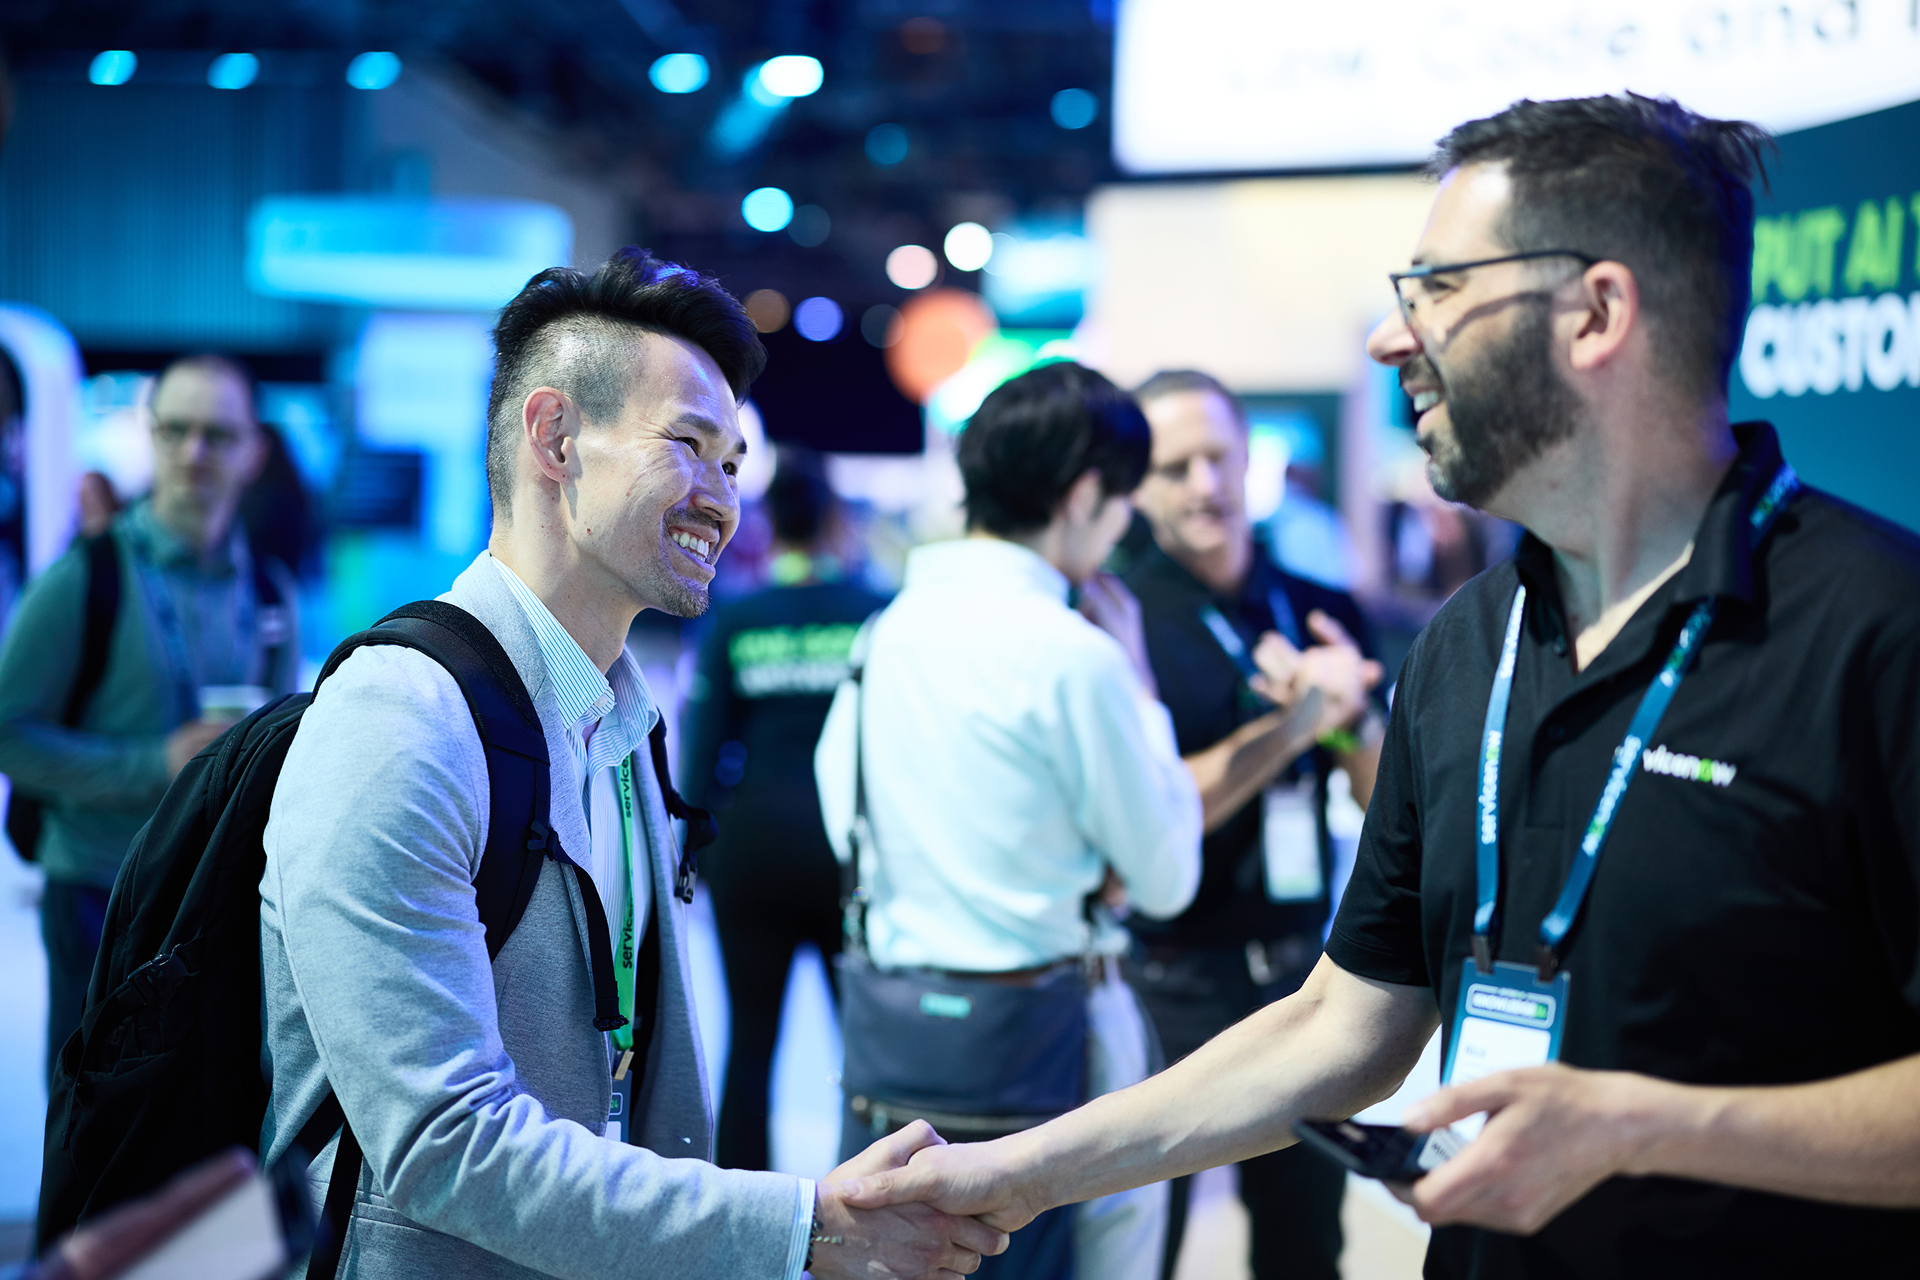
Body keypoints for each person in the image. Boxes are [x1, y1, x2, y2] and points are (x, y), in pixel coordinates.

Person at [832, 94, 1920, 1277]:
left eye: (1441, 288)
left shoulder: (1877, 630)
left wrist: (1651, 1127)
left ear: (1597, 311)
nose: (1391, 339)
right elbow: (1342, 1021)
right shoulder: (1468, 645)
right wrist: (1012, 1175)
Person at [257, 247, 1002, 1280]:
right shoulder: (400, 719)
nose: (722, 498)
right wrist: (803, 1223)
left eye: (733, 464)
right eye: (689, 445)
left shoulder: (619, 721)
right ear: (556, 435)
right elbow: (441, 1144)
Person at [814, 361, 1203, 1280]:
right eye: (1122, 504)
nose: (1122, 531)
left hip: (898, 1030)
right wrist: (1141, 686)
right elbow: (1167, 876)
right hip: (1055, 1032)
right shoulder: (1078, 656)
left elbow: (847, 820)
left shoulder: (886, 632)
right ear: (1080, 496)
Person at [1122, 369, 1383, 1280]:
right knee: (1144, 1244)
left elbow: (1384, 795)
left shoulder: (1318, 605)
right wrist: (1296, 726)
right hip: (1167, 978)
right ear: (1137, 485)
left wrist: (1348, 707)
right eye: (1176, 464)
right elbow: (1162, 811)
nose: (1205, 483)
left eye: (1220, 457)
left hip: (1304, 977)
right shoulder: (1120, 617)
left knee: (1307, 1244)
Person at [0, 354, 297, 1079]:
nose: (195, 453)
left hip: (212, 901)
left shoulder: (267, 594)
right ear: (152, 437)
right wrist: (153, 765)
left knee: (195, 1134)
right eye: (176, 431)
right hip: (97, 891)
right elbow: (8, 731)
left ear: (253, 451)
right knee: (92, 1132)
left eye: (218, 436)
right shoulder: (87, 578)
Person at [681, 453, 888, 1171]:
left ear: (769, 524)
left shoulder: (737, 617)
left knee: (752, 1040)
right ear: (834, 520)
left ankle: (747, 1228)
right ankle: (873, 1202)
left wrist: (696, 860)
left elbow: (701, 757)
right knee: (864, 1048)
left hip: (753, 852)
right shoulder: (871, 613)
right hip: (846, 857)